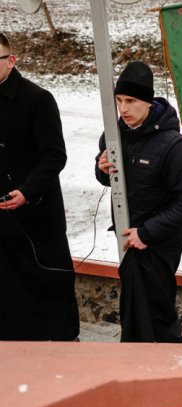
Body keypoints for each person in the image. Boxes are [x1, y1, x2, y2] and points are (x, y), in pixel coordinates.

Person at [95, 61, 182, 343]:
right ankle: (137, 361)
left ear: (148, 102)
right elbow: (111, 180)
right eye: (119, 100)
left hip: (160, 243)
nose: (123, 108)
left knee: (157, 312)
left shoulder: (174, 145)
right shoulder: (113, 135)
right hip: (127, 237)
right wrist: (102, 169)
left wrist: (147, 232)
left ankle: (169, 360)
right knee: (134, 312)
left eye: (131, 101)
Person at [0, 32, 80, 341]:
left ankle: (60, 346)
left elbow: (55, 155)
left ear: (11, 60)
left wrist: (27, 191)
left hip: (36, 217)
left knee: (47, 287)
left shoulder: (37, 99)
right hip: (2, 217)